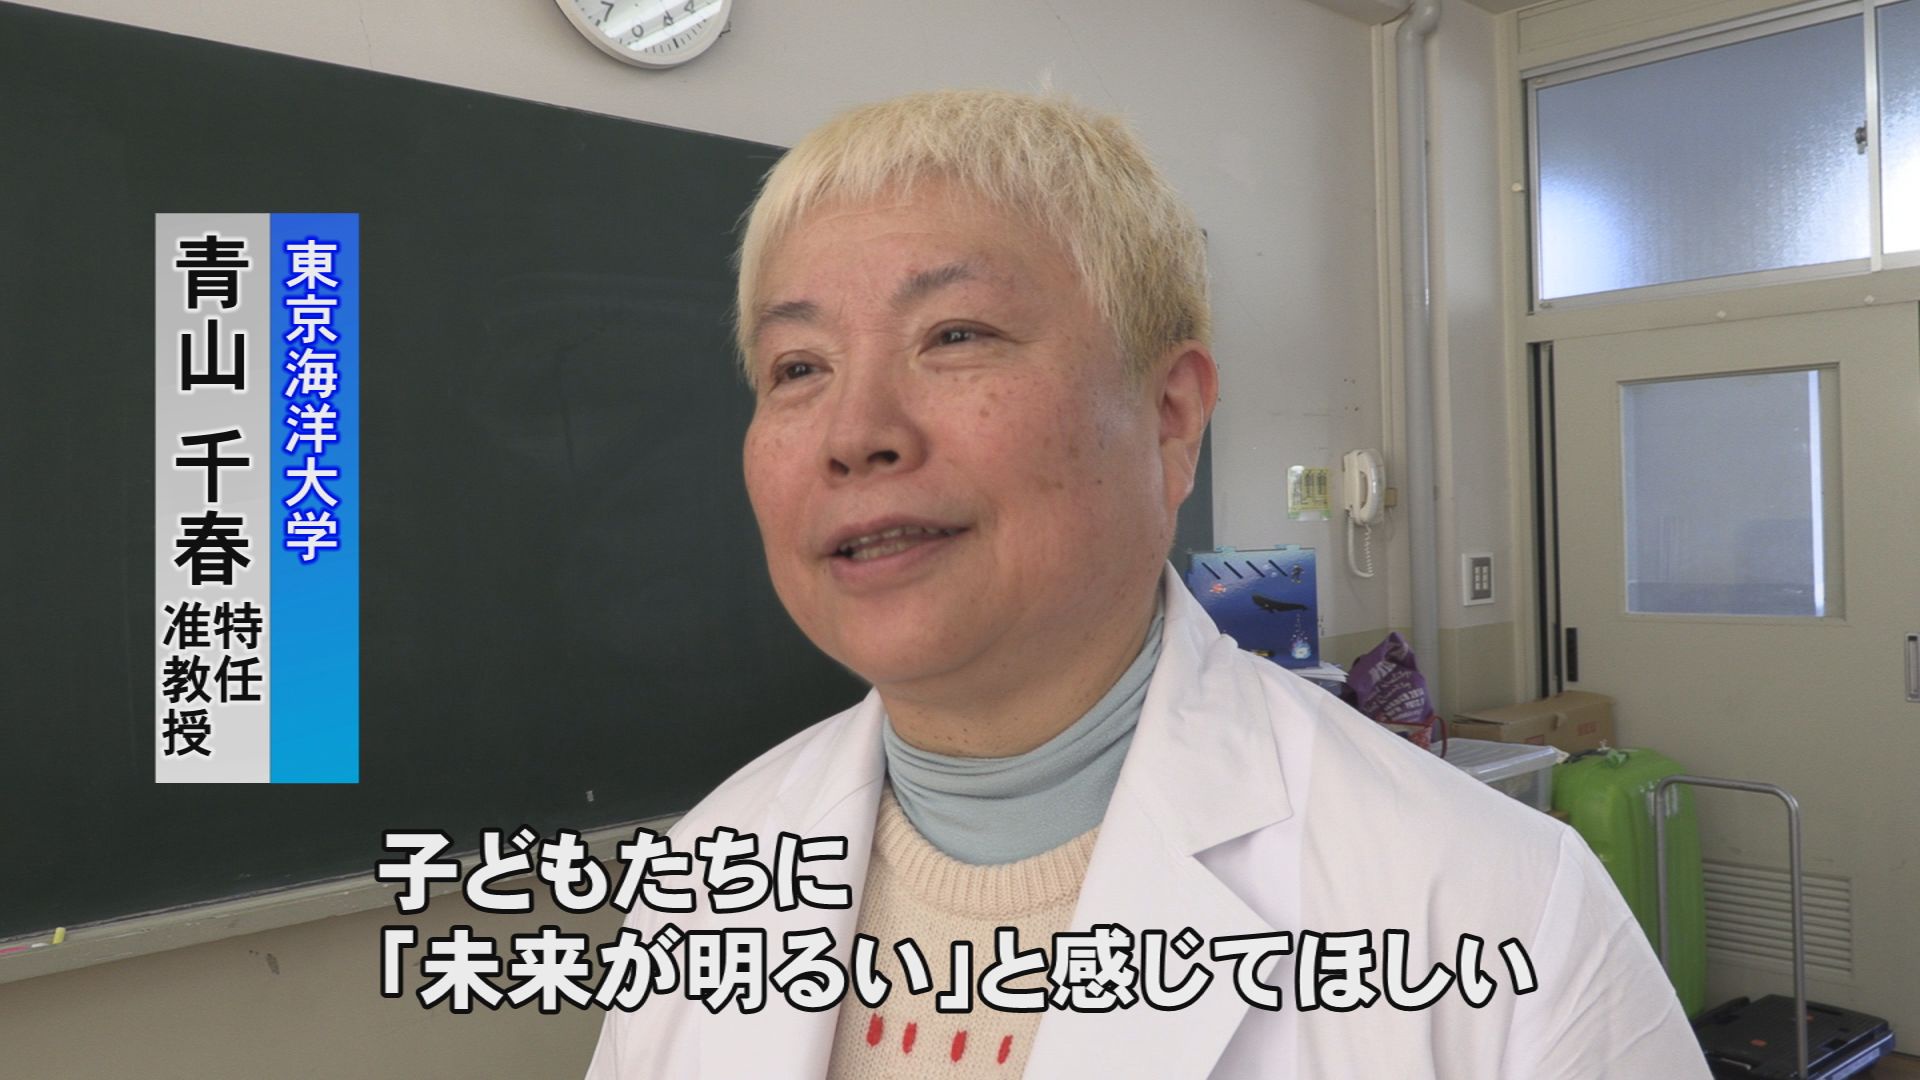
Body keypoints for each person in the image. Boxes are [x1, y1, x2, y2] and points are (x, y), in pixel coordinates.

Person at [585, 89, 1707, 1079]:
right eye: (798, 368)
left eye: (955, 334)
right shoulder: (710, 870)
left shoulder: (1498, 907)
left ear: (1171, 418)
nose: (854, 432)